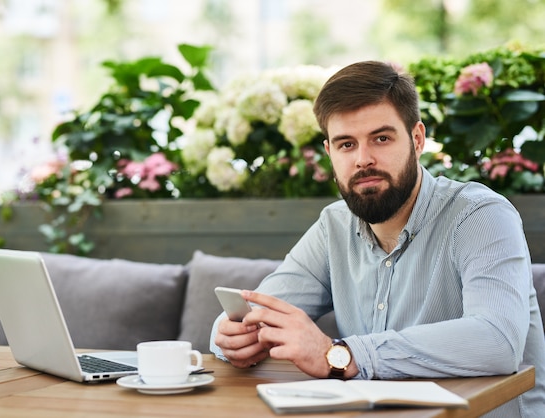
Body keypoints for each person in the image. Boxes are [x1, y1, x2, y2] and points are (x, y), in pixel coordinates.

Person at [210, 61, 545, 417]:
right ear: (329, 153)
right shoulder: (333, 226)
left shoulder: (481, 216)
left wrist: (342, 355)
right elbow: (259, 315)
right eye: (346, 144)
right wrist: (233, 336)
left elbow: (496, 341)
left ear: (417, 139)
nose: (362, 159)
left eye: (381, 138)